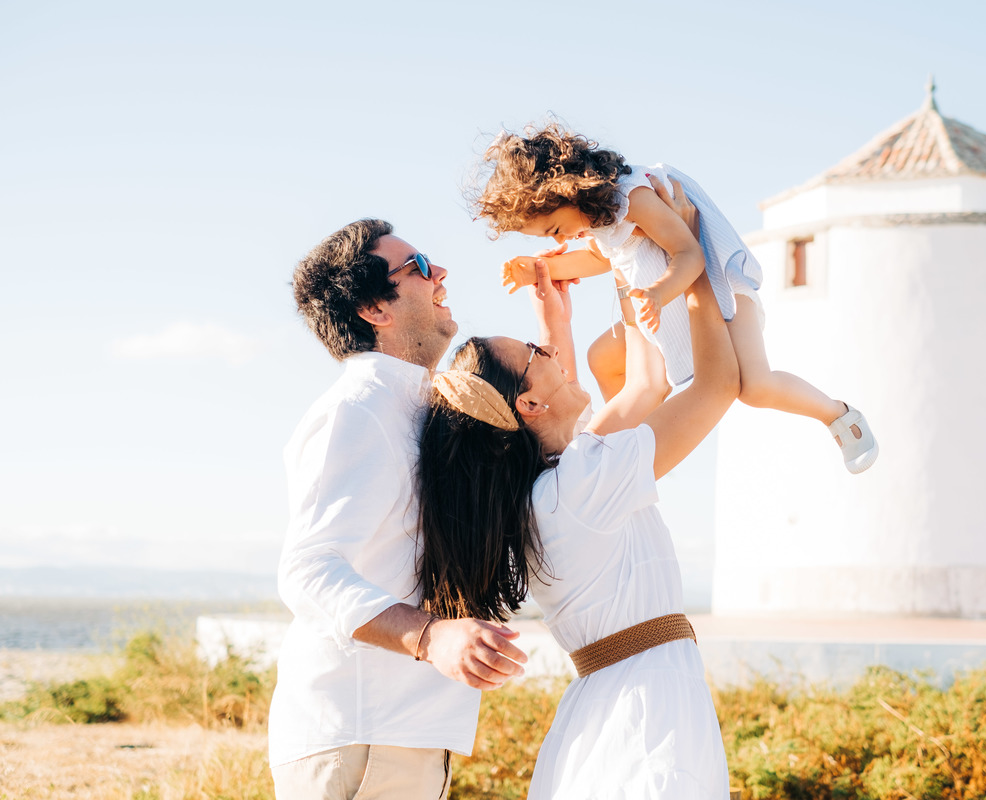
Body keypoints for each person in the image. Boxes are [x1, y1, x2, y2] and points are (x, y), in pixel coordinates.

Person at [416, 177, 740, 798]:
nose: (554, 355)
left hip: (620, 701)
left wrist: (624, 264)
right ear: (530, 404)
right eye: (539, 353)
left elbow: (646, 385)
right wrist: (689, 260)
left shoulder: (552, 488)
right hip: (648, 712)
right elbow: (717, 384)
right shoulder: (583, 485)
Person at [270, 219, 528, 800]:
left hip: (399, 737)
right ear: (374, 309)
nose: (441, 273)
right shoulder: (358, 410)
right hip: (360, 736)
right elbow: (309, 571)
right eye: (419, 265)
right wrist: (431, 637)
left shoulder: (413, 407)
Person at [473, 122, 878, 474]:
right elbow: (600, 257)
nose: (561, 240)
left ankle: (838, 415)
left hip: (721, 295)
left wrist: (658, 292)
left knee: (755, 385)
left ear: (567, 191)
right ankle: (635, 443)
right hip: (670, 307)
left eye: (555, 230)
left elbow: (689, 252)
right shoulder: (597, 220)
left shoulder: (633, 196)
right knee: (603, 358)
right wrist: (540, 269)